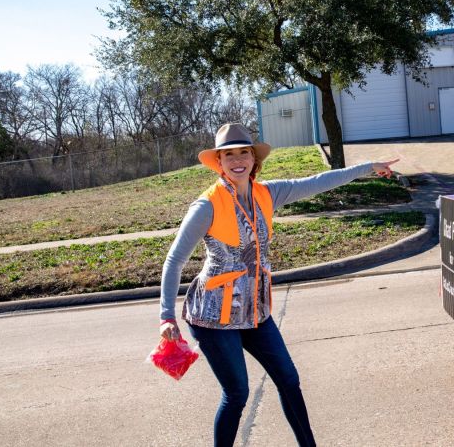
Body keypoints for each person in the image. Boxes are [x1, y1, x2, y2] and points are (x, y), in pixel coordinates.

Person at [159, 123, 398, 447]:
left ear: (254, 159)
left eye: (244, 152)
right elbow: (173, 261)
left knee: (289, 379)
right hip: (214, 318)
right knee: (237, 394)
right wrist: (166, 316)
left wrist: (367, 167)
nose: (237, 160)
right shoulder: (207, 206)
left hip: (255, 312)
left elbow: (317, 182)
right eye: (229, 155)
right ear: (219, 162)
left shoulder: (266, 193)